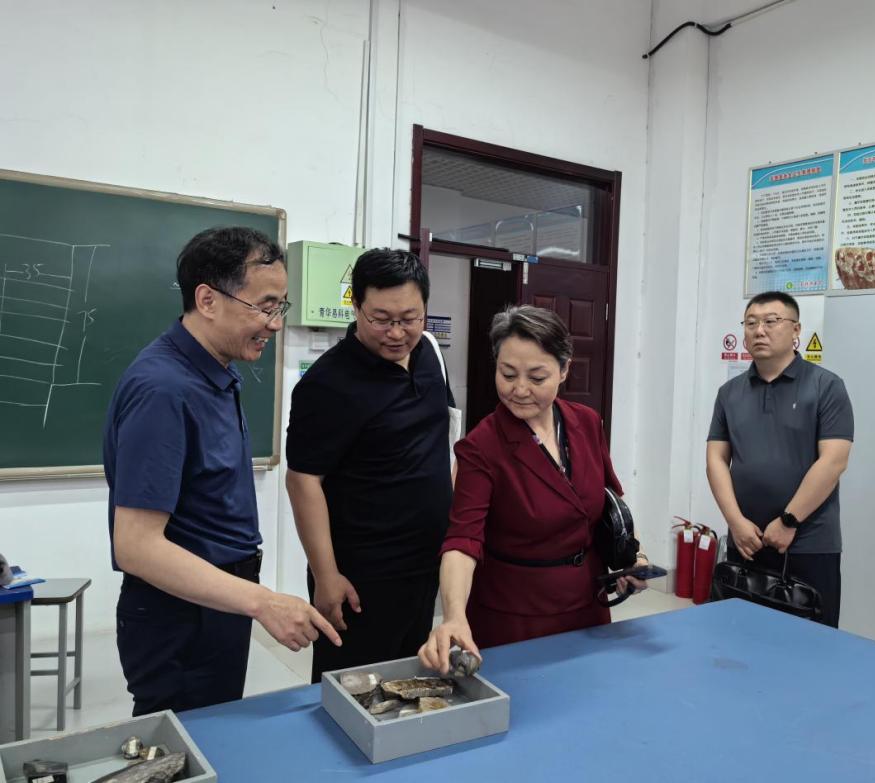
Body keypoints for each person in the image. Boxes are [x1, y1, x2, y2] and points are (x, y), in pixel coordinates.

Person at [104, 227, 340, 716]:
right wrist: (263, 602)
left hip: (216, 603)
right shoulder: (164, 389)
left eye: (281, 306)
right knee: (184, 742)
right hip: (180, 615)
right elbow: (136, 545)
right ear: (207, 300)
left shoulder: (215, 371)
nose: (276, 324)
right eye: (265, 306)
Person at [419, 305, 646, 674]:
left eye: (537, 377)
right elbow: (462, 541)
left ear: (564, 369)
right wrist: (454, 616)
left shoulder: (586, 423)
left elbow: (607, 503)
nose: (520, 390)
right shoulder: (482, 447)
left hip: (587, 607)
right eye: (507, 374)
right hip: (515, 617)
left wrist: (632, 557)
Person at [285, 248, 454, 682]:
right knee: (353, 688)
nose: (396, 333)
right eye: (381, 319)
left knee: (411, 680)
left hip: (425, 564)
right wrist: (326, 575)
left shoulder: (430, 352)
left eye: (409, 318)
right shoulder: (327, 384)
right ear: (356, 306)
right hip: (362, 576)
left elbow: (443, 439)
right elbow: (303, 480)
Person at [706, 291, 853, 627]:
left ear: (796, 329)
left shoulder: (826, 386)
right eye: (751, 323)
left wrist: (789, 521)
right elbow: (716, 459)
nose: (759, 330)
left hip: (808, 544)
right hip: (746, 542)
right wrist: (735, 522)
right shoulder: (729, 393)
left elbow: (833, 462)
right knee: (741, 637)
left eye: (771, 321)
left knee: (808, 645)